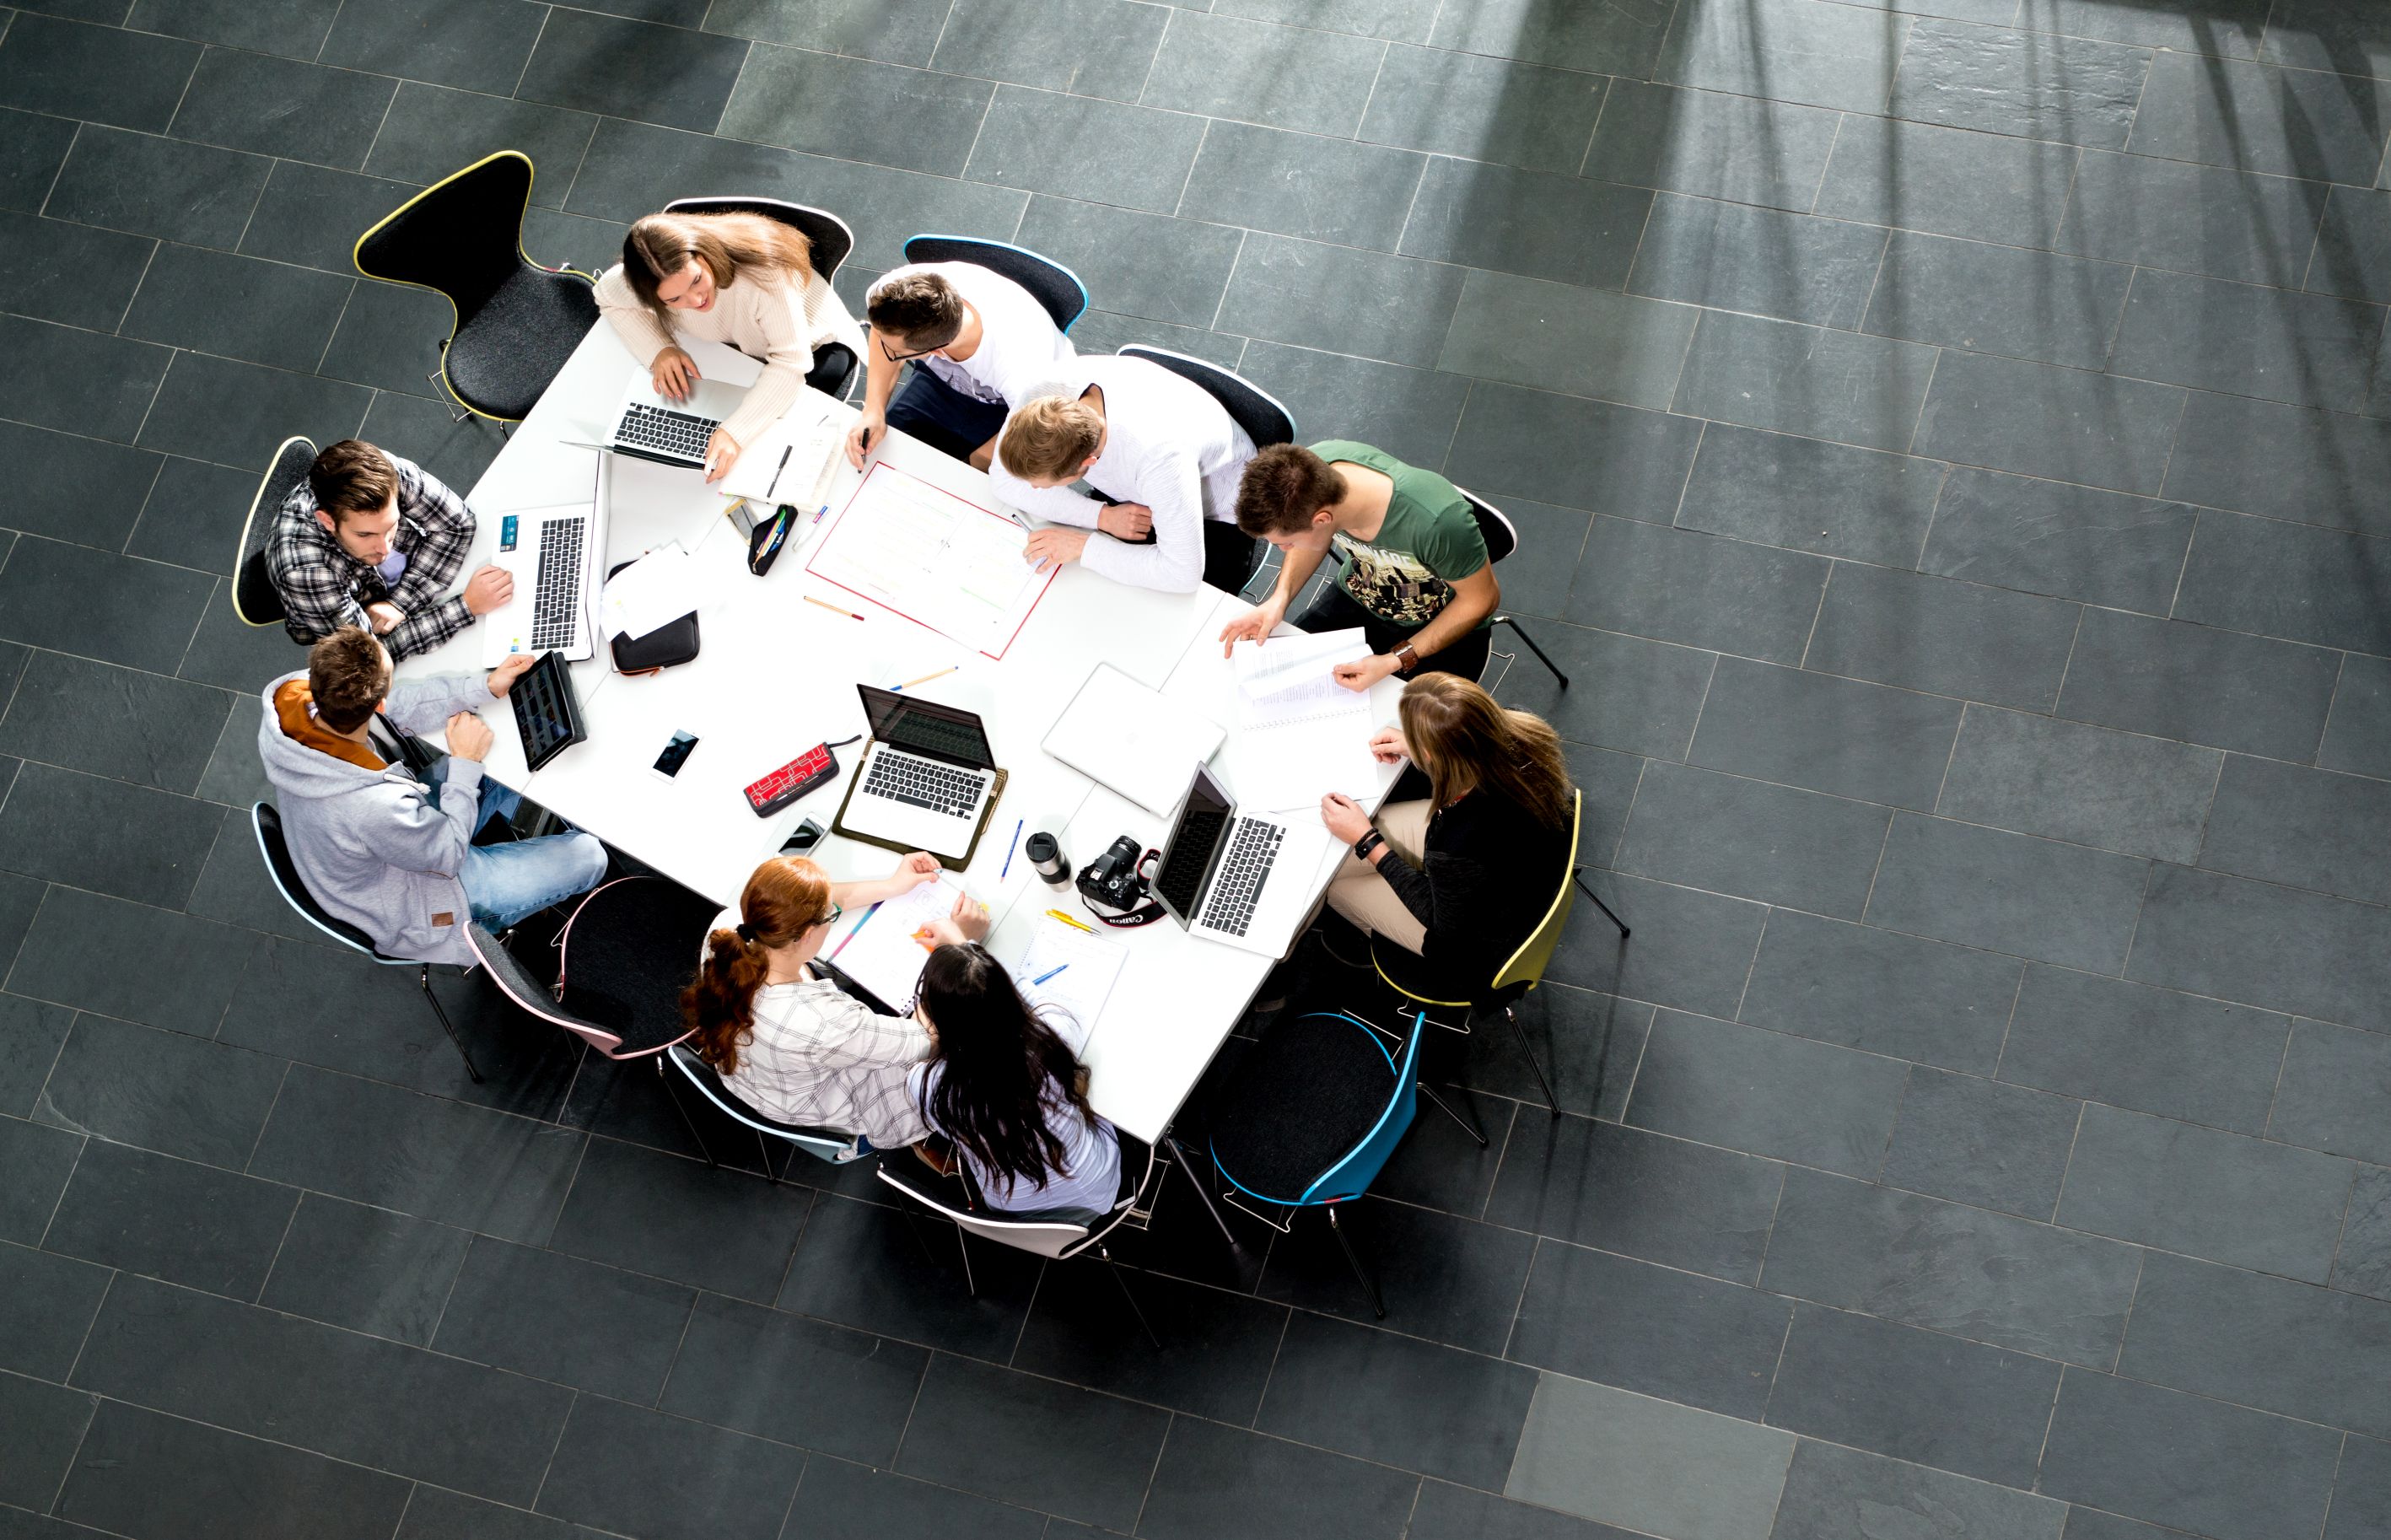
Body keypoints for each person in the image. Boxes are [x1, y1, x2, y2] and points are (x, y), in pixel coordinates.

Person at [257, 627, 609, 964]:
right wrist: (465, 762)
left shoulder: (299, 696)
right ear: (379, 705)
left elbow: (399, 705)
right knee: (589, 855)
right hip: (418, 904)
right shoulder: (373, 807)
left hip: (380, 839)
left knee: (500, 746)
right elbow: (448, 855)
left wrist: (485, 686)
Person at [682, 853, 987, 1147]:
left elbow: (815, 900)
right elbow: (927, 1039)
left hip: (763, 1077)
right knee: (969, 1042)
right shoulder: (822, 1023)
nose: (834, 915)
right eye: (831, 916)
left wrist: (894, 885)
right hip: (836, 1100)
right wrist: (958, 947)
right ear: (806, 934)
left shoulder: (734, 927)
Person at [1317, 673, 1572, 985]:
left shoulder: (1456, 842)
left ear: (1432, 754)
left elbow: (1442, 924)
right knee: (1339, 859)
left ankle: (1378, 949)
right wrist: (1421, 744)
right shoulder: (1523, 732)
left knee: (1333, 886)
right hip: (1517, 869)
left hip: (1471, 945)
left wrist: (1367, 841)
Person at [596, 209, 867, 482]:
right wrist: (659, 349)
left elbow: (791, 363)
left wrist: (735, 434)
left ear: (703, 255)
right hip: (743, 346)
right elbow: (606, 296)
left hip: (815, 346)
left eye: (696, 280)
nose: (696, 300)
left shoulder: (766, 276)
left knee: (776, 449)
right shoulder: (650, 282)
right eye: (674, 299)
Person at [1220, 442, 1499, 689]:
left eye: (1287, 543)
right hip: (1358, 592)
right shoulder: (1308, 474)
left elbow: (1482, 600)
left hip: (1436, 620)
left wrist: (1394, 660)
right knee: (1281, 682)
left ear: (1322, 520)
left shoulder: (1437, 524)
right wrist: (1279, 599)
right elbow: (1307, 538)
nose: (1285, 550)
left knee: (1403, 726)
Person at [987, 355, 1261, 595]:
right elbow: (1002, 481)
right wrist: (1102, 516)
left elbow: (1183, 574)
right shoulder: (1041, 396)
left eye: (1043, 485)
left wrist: (1082, 546)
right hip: (1138, 491)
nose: (1032, 489)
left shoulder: (1159, 458)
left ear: (1089, 462)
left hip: (1217, 515)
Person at [907, 944, 1120, 1218]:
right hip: (1092, 1193)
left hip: (1009, 1208)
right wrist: (973, 952)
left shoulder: (924, 1084)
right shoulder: (1050, 1040)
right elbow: (1030, 993)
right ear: (1007, 999)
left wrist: (929, 1038)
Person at [267, 439, 512, 661]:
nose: (385, 547)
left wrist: (399, 605)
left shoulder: (382, 473)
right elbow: (368, 656)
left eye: (391, 525)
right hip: (345, 617)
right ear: (328, 521)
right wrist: (466, 607)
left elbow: (458, 524)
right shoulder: (305, 573)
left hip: (402, 591)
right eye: (365, 535)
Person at [844, 261, 1074, 471]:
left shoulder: (1022, 373)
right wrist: (873, 411)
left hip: (1010, 408)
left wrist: (968, 468)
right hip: (940, 380)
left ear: (937, 352)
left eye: (895, 353)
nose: (886, 349)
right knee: (883, 458)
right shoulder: (892, 291)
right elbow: (882, 334)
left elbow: (1026, 433)